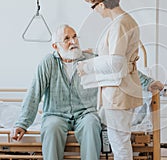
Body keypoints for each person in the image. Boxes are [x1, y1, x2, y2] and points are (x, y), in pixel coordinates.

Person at [12, 24, 102, 160]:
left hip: (85, 113)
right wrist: (22, 123)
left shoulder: (91, 59)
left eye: (74, 36)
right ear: (55, 46)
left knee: (92, 125)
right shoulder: (48, 62)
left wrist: (146, 83)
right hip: (56, 114)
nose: (73, 42)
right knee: (51, 127)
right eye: (66, 39)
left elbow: (120, 66)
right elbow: (34, 93)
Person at [77, 0, 143, 160]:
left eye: (93, 6)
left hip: (118, 91)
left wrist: (86, 65)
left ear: (103, 2)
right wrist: (95, 52)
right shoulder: (126, 21)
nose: (94, 11)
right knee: (120, 141)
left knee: (119, 142)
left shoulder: (119, 24)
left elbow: (115, 62)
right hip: (123, 88)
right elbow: (118, 54)